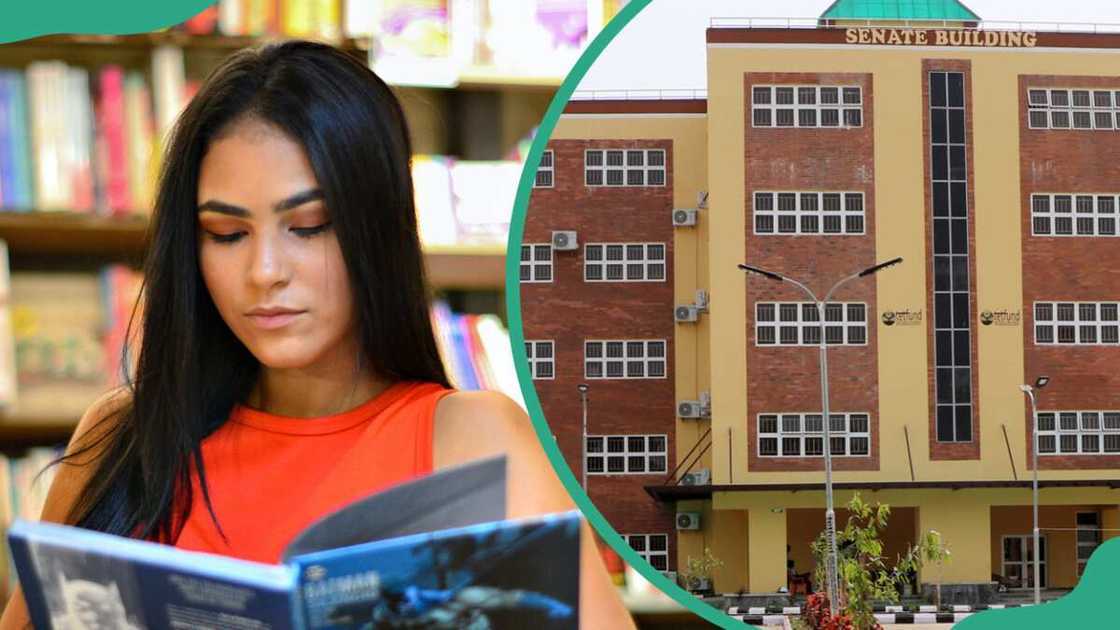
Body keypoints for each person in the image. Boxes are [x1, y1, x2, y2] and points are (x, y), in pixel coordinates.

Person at [0, 40, 633, 629]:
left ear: (374, 228)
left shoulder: (475, 441)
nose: (264, 273)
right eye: (227, 234)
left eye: (308, 226)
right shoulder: (122, 436)